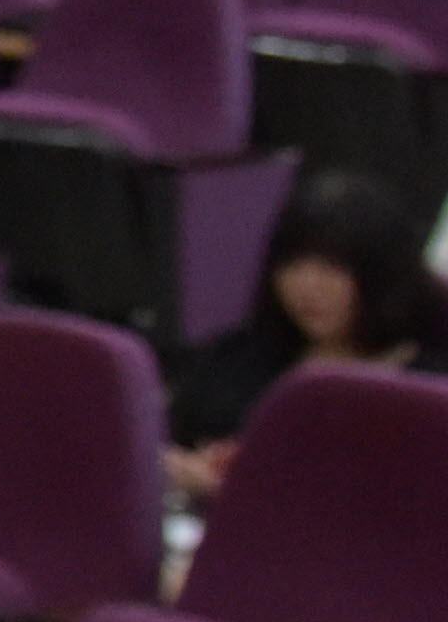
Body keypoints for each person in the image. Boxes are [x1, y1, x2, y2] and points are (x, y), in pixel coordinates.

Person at [163, 165, 437, 497]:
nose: (306, 287)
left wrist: (250, 488)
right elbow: (172, 439)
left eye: (332, 267)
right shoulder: (241, 355)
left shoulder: (430, 386)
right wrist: (183, 467)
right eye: (292, 264)